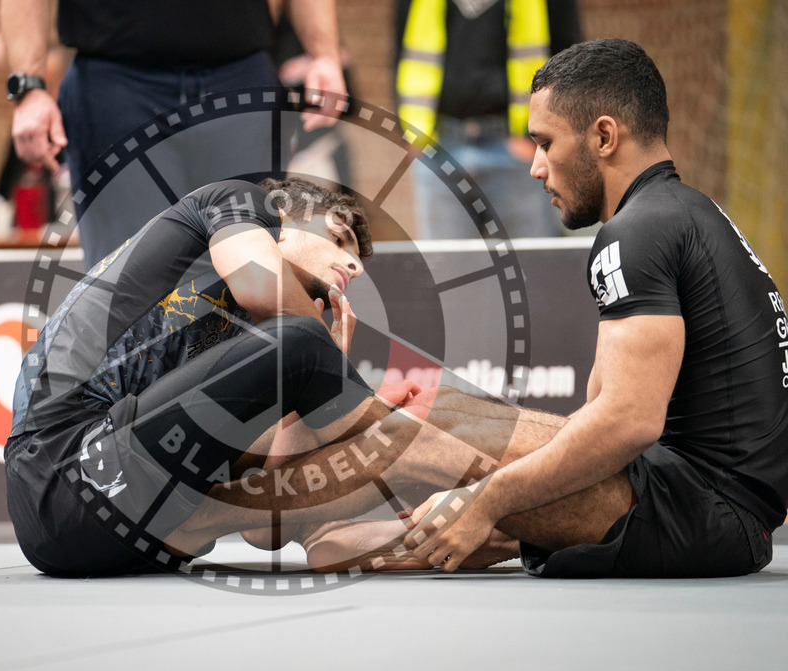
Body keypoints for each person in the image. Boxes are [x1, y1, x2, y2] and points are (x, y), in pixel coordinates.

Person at [283, 38, 787, 578]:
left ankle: (217, 512)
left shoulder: (635, 232)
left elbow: (629, 422)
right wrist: (502, 502)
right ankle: (316, 520)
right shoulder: (684, 212)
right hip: (705, 504)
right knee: (438, 408)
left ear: (603, 135)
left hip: (704, 515)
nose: (536, 168)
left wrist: (488, 499)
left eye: (545, 143)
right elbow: (602, 409)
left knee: (417, 436)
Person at [5, 177, 378, 576]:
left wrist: (308, 387)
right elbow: (262, 289)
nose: (355, 267)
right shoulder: (240, 201)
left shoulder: (264, 342)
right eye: (339, 239)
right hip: (58, 464)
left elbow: (263, 531)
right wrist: (326, 363)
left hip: (123, 535)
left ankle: (329, 533)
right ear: (285, 219)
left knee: (298, 355)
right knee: (301, 344)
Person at [0, 0, 347, 271]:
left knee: (250, 272)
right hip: (116, 85)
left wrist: (325, 55)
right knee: (127, 278)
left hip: (238, 78)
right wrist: (28, 86)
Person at [396, 0, 581, 239]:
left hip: (520, 150)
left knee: (531, 265)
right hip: (439, 147)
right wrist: (413, 133)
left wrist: (537, 138)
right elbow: (403, 48)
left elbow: (570, 56)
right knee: (448, 270)